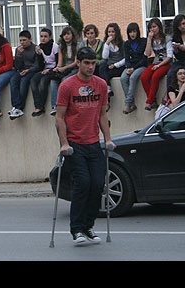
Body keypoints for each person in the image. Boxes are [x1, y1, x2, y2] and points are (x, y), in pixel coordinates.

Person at [56, 47, 114, 245]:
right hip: (75, 143)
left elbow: (103, 115)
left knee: (98, 184)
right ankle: (77, 229)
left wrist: (107, 139)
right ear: (78, 63)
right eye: (87, 63)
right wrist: (64, 143)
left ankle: (88, 227)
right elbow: (60, 117)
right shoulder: (67, 85)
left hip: (93, 142)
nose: (91, 67)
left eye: (93, 63)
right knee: (83, 184)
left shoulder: (101, 85)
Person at [8, 30, 42, 120]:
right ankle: (15, 106)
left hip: (32, 71)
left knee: (24, 81)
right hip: (21, 70)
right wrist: (18, 55)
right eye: (20, 40)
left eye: (24, 40)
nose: (22, 42)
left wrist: (28, 70)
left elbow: (38, 65)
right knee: (13, 80)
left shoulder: (35, 48)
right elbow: (17, 66)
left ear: (30, 39)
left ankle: (20, 107)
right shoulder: (19, 49)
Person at [141, 18, 173, 111]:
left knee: (155, 76)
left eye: (154, 27)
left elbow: (169, 56)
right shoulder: (151, 40)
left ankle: (149, 102)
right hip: (156, 62)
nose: (152, 29)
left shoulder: (167, 39)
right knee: (144, 77)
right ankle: (153, 100)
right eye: (150, 28)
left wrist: (159, 66)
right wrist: (149, 39)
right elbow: (147, 54)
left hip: (166, 63)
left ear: (159, 27)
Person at [49, 26, 79, 116]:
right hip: (64, 68)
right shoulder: (61, 46)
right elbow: (60, 61)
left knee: (64, 80)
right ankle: (55, 106)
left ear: (72, 35)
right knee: (53, 80)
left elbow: (76, 62)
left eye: (68, 34)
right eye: (64, 35)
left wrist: (64, 68)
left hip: (75, 68)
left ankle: (64, 104)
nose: (66, 36)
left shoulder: (78, 45)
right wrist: (58, 68)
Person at [30, 28, 59, 117]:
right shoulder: (40, 47)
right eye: (41, 36)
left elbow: (58, 63)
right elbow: (40, 66)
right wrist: (39, 54)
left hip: (53, 70)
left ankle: (41, 107)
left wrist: (49, 70)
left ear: (50, 37)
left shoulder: (55, 46)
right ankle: (37, 106)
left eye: (45, 36)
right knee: (33, 81)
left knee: (43, 83)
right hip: (44, 69)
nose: (43, 38)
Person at [120, 22, 148, 114]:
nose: (132, 34)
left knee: (133, 78)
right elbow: (127, 58)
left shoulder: (143, 41)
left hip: (141, 65)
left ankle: (128, 104)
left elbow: (144, 59)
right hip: (131, 65)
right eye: (130, 32)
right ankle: (132, 103)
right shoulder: (127, 44)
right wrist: (128, 67)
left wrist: (134, 68)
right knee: (123, 78)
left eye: (134, 31)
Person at [99, 23, 126, 100]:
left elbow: (125, 58)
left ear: (116, 33)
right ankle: (108, 89)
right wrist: (107, 43)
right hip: (110, 65)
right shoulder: (107, 44)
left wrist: (115, 65)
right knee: (102, 67)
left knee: (106, 74)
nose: (111, 34)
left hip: (120, 66)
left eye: (113, 32)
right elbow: (104, 57)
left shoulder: (122, 43)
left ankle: (107, 95)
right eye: (109, 32)